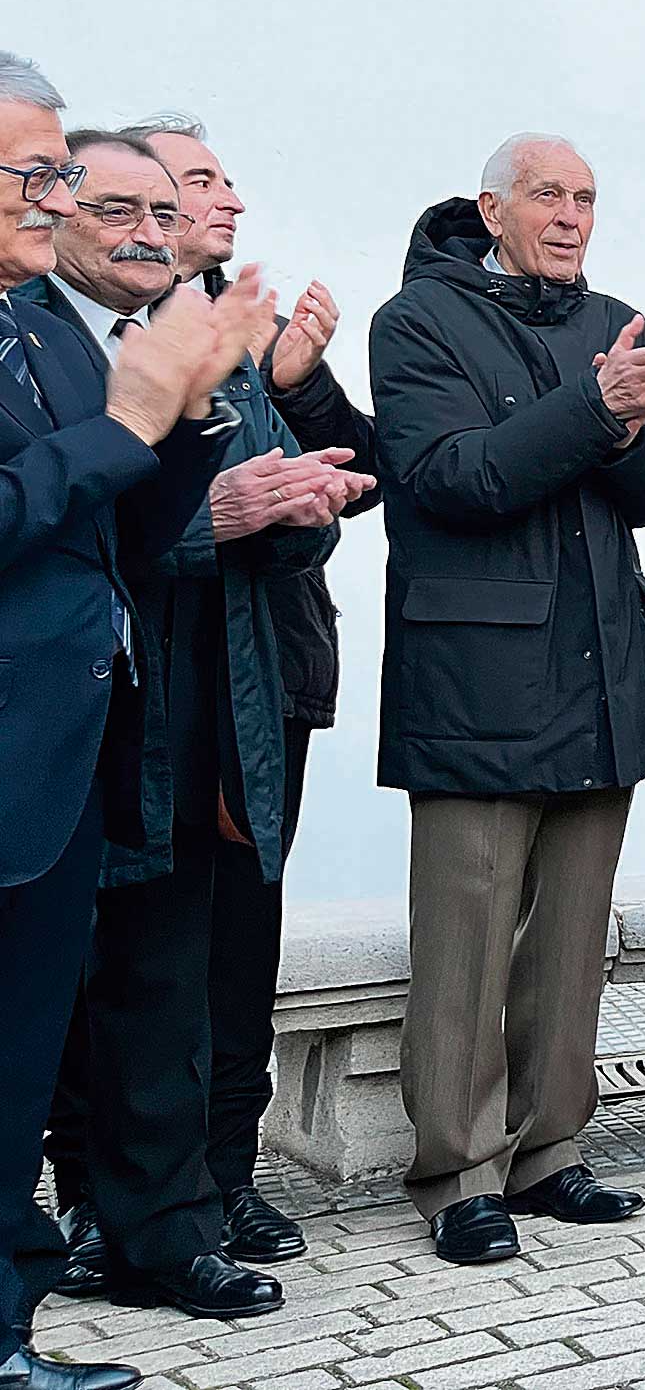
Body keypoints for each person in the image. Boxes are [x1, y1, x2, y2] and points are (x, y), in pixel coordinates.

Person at [25, 132, 368, 1321]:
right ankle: (73, 1224)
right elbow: (69, 523)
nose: (150, 233)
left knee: (166, 985)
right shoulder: (49, 342)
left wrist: (291, 507)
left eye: (166, 214)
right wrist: (203, 521)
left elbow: (289, 506)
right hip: (70, 715)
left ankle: (163, 1235)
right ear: (58, 210)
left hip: (203, 713)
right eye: (117, 205)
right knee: (67, 995)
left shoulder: (204, 342)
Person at [369, 133, 645, 1264]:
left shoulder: (616, 316)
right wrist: (597, 408)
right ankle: (457, 1173)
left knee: (569, 940)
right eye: (548, 195)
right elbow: (454, 479)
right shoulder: (414, 321)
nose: (571, 215)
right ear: (490, 209)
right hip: (478, 680)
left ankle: (550, 1152)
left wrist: (638, 422)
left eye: (588, 198)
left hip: (603, 670)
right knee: (464, 939)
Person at [0, 52, 270, 1390]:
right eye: (32, 173)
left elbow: (128, 536)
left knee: (22, 1055)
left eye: (57, 170)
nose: (49, 199)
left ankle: (4, 1332)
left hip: (69, 753)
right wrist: (133, 419)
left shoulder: (49, 331)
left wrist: (190, 417)